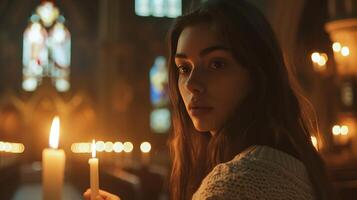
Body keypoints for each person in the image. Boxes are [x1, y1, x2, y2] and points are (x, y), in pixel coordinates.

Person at [84, 0, 333, 199]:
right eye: (183, 68)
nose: (192, 83)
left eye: (217, 64)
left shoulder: (236, 182)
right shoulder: (287, 163)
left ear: (258, 73)